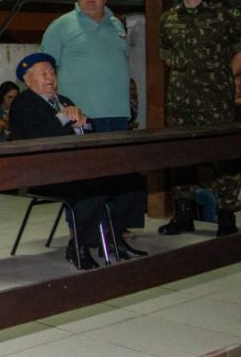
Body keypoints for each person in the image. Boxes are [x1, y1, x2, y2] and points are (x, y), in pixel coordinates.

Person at [8, 53, 144, 269]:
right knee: (92, 189)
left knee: (132, 181)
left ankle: (113, 237)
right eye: (43, 73)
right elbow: (37, 136)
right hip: (45, 172)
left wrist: (82, 123)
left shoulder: (64, 101)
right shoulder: (23, 104)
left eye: (52, 72)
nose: (50, 77)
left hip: (77, 166)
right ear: (27, 79)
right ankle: (79, 245)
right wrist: (64, 118)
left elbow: (90, 132)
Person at [159, 0, 241, 236]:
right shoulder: (169, 17)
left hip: (215, 98)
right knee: (180, 153)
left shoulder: (225, 12)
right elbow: (165, 54)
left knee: (223, 155)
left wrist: (224, 76)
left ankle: (225, 215)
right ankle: (184, 213)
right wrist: (185, 74)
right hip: (180, 98)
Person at [41, 0, 131, 133]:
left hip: (119, 116)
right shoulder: (61, 25)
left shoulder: (117, 25)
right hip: (80, 117)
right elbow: (42, 71)